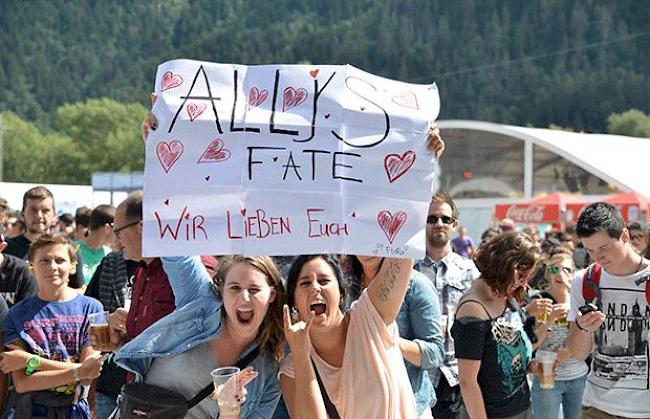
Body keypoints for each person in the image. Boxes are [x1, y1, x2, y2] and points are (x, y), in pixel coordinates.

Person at [108, 255, 286, 418]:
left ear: (271, 295)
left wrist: (229, 409)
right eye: (234, 288)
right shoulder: (200, 303)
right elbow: (176, 253)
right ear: (222, 290)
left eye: (254, 289)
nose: (244, 298)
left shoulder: (268, 371)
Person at [280, 254, 417, 418]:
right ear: (294, 301)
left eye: (324, 281)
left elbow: (403, 253)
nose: (315, 288)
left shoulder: (370, 317)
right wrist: (301, 355)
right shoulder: (292, 369)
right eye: (305, 283)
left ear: (341, 293)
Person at [0, 235, 105, 418]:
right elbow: (23, 383)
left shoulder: (95, 309)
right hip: (32, 411)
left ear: (73, 266)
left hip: (75, 410)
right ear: (31, 267)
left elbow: (90, 373)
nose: (52, 267)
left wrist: (29, 361)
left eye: (60, 260)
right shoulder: (15, 315)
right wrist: (78, 370)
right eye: (44, 261)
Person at [566, 202, 650, 419]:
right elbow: (577, 353)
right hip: (598, 407)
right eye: (590, 250)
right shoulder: (584, 280)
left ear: (624, 236)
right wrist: (584, 328)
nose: (597, 257)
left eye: (604, 247)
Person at [452, 231, 541, 419]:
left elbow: (505, 354)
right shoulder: (473, 310)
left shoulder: (506, 295)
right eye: (522, 275)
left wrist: (530, 365)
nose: (524, 283)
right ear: (506, 267)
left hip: (522, 408)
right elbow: (468, 381)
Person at [346, 255, 444, 418]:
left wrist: (386, 338)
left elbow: (434, 354)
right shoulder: (345, 286)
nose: (368, 247)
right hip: (360, 407)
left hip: (408, 407)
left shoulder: (416, 285)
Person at [414, 192, 480, 419]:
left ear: (455, 225)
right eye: (431, 219)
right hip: (417, 376)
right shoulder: (407, 271)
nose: (438, 224)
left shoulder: (470, 271)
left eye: (445, 219)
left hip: (457, 375)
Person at [529, 248, 587, 419]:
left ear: (573, 274)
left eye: (565, 269)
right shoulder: (540, 300)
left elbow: (593, 342)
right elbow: (533, 344)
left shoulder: (582, 300)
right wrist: (550, 319)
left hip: (578, 377)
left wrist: (570, 350)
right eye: (554, 269)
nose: (559, 274)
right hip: (547, 377)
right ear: (547, 274)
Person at [84, 250, 138, 419]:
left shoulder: (168, 266)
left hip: (150, 385)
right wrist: (110, 319)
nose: (118, 236)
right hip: (110, 381)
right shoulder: (112, 263)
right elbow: (90, 314)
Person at [3, 186, 85, 289]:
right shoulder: (6, 248)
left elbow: (81, 289)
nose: (39, 216)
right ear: (22, 214)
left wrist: (59, 293)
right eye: (33, 210)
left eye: (45, 211)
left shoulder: (68, 248)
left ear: (54, 215)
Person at [75, 204, 115, 285]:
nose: (118, 233)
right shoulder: (73, 249)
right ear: (107, 228)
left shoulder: (109, 254)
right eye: (116, 227)